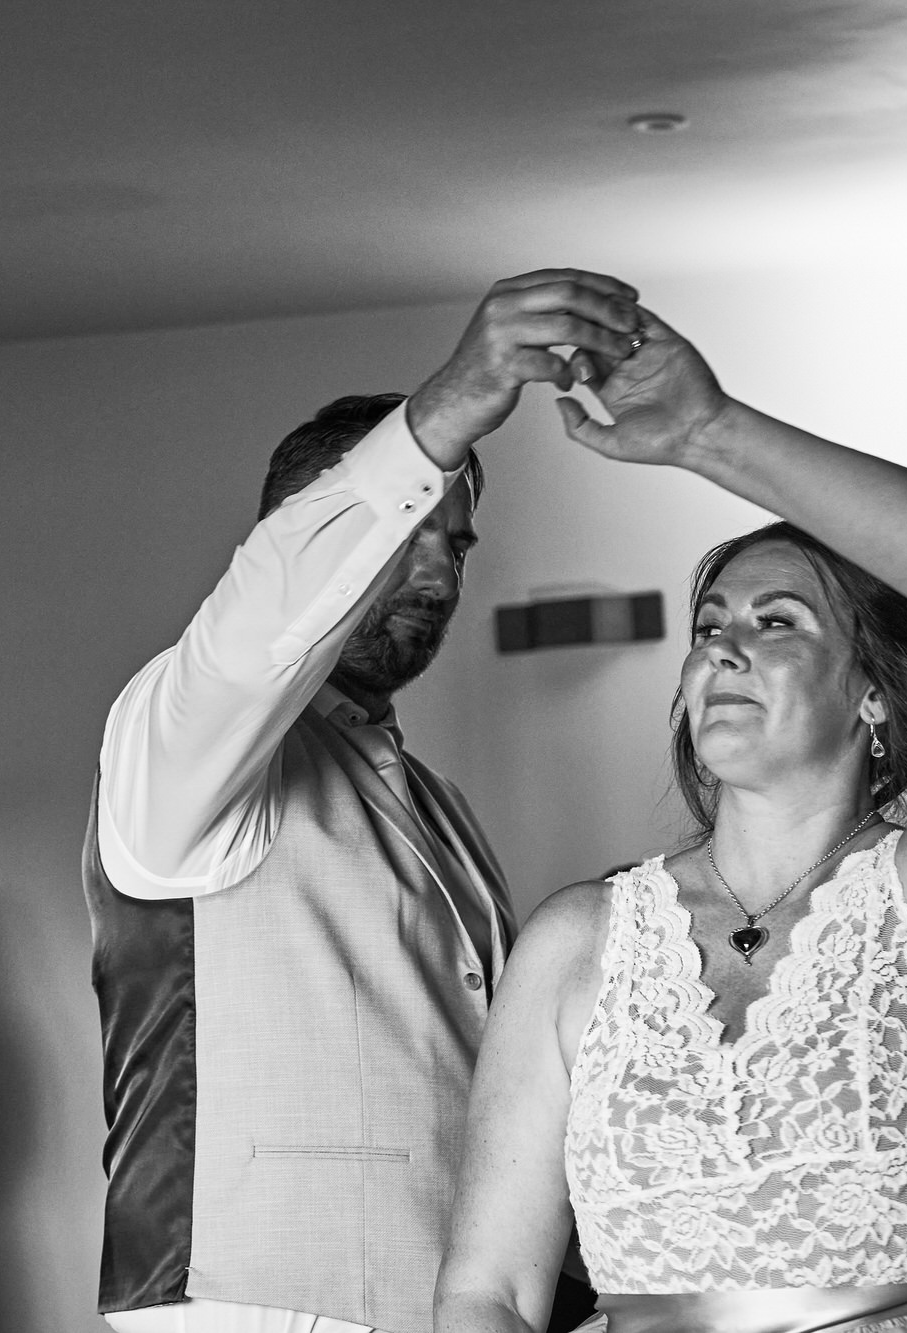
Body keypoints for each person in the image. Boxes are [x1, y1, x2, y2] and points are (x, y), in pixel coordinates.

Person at [434, 292, 907, 1332]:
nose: (722, 647)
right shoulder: (576, 940)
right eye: (709, 625)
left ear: (871, 694)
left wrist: (707, 433)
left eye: (777, 622)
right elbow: (486, 1287)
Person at [83, 271, 647, 1333]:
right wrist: (442, 416)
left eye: (456, 545)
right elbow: (257, 635)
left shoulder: (436, 806)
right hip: (252, 1301)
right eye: (412, 528)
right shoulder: (178, 745)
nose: (436, 573)